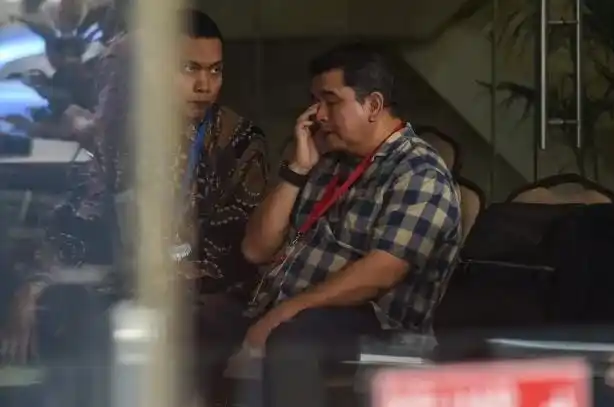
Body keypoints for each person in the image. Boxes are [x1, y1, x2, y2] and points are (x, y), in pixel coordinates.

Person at [2, 8, 269, 376]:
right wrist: (35, 286)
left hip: (204, 297)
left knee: (146, 329)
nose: (204, 85)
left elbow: (229, 253)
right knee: (59, 311)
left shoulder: (237, 141)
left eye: (215, 71)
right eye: (189, 69)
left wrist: (152, 272)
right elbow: (77, 221)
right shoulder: (125, 134)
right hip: (126, 283)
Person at [197, 43, 462, 407]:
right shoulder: (327, 160)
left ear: (373, 105)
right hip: (281, 304)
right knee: (198, 322)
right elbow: (255, 249)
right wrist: (296, 169)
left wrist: (285, 311)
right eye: (315, 101)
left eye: (331, 101)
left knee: (291, 342)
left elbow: (381, 273)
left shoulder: (418, 173)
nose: (318, 115)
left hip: (372, 325)